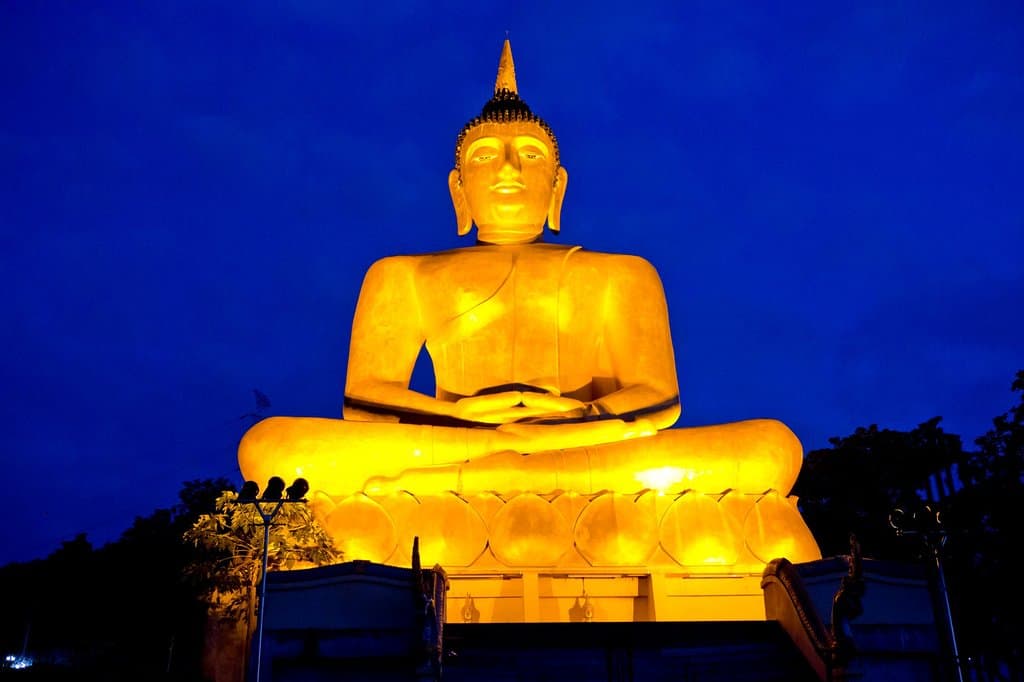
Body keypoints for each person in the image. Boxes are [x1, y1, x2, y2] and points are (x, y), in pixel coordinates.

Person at [239, 40, 808, 532]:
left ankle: (503, 472)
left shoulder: (621, 272)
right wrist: (475, 424)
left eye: (529, 156)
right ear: (458, 190)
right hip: (461, 438)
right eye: (486, 156)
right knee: (271, 447)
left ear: (557, 186)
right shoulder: (401, 274)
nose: (509, 169)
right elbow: (365, 399)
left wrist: (572, 418)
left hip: (576, 439)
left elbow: (658, 401)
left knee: (771, 446)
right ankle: (506, 465)